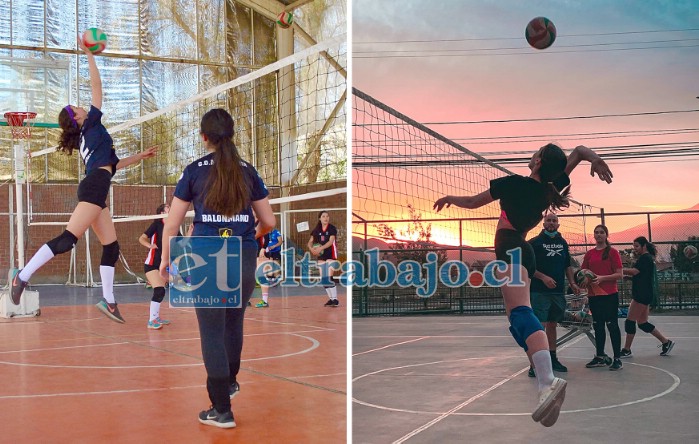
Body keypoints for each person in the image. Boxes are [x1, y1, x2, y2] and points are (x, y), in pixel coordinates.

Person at [434, 143, 613, 427]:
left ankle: (547, 381)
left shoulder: (513, 183)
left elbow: (472, 202)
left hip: (511, 247)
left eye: (536, 153)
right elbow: (578, 152)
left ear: (539, 161)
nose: (531, 155)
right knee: (516, 319)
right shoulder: (548, 188)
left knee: (521, 313)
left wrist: (450, 198)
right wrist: (595, 158)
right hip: (522, 252)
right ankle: (543, 375)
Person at [10, 36, 157, 323]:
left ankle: (109, 300)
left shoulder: (91, 138)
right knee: (68, 240)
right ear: (76, 118)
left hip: (99, 186)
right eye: (77, 108)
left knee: (111, 247)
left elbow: (112, 166)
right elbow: (97, 87)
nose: (82, 107)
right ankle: (23, 276)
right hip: (94, 188)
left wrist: (139, 157)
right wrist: (89, 54)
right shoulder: (91, 124)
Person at [159, 108, 274, 429]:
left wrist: (166, 260)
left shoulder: (194, 171)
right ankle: (230, 384)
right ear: (232, 134)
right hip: (243, 254)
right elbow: (270, 221)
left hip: (208, 254)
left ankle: (221, 409)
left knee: (211, 331)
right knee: (233, 325)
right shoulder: (248, 171)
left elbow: (172, 224)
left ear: (204, 137)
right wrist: (253, 236)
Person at [527, 212, 581, 377]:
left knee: (552, 325)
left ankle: (552, 358)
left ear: (558, 224)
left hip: (557, 292)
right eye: (548, 220)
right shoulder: (534, 243)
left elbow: (567, 266)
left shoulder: (563, 243)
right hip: (539, 292)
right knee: (539, 327)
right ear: (543, 224)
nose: (551, 223)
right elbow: (528, 267)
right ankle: (534, 364)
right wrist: (543, 277)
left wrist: (572, 283)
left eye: (554, 221)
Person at [620, 236, 674, 357]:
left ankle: (626, 350)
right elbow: (640, 275)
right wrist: (628, 278)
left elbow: (635, 271)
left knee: (629, 322)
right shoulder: (646, 258)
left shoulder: (645, 258)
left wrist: (620, 270)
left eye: (637, 246)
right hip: (645, 293)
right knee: (643, 323)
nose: (635, 249)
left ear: (644, 246)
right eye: (634, 246)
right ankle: (666, 342)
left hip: (641, 294)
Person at [580, 225, 624, 371]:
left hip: (609, 294)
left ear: (606, 235)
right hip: (594, 295)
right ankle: (600, 356)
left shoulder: (612, 252)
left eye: (601, 232)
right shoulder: (590, 254)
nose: (598, 235)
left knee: (612, 325)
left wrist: (602, 278)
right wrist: (584, 280)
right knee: (598, 325)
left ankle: (617, 358)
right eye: (596, 233)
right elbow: (583, 271)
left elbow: (619, 274)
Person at [139, 203, 180, 329]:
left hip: (163, 265)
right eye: (168, 208)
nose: (171, 209)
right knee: (159, 290)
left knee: (161, 292)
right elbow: (142, 238)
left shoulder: (174, 227)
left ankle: (156, 317)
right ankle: (151, 321)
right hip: (151, 264)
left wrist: (189, 233)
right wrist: (150, 245)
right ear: (162, 213)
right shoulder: (156, 224)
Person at [307, 211, 339, 307]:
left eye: (327, 216)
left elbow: (330, 241)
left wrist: (320, 248)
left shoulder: (332, 228)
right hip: (321, 256)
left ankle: (335, 299)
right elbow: (310, 242)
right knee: (324, 279)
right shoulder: (316, 230)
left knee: (329, 277)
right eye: (323, 216)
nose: (326, 218)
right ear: (319, 218)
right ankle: (331, 299)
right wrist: (311, 249)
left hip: (331, 254)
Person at [254, 227, 283, 308]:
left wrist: (263, 249)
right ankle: (248, 300)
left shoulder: (261, 226)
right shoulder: (250, 224)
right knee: (250, 275)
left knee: (261, 275)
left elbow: (265, 238)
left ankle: (264, 300)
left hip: (260, 253)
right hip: (252, 251)